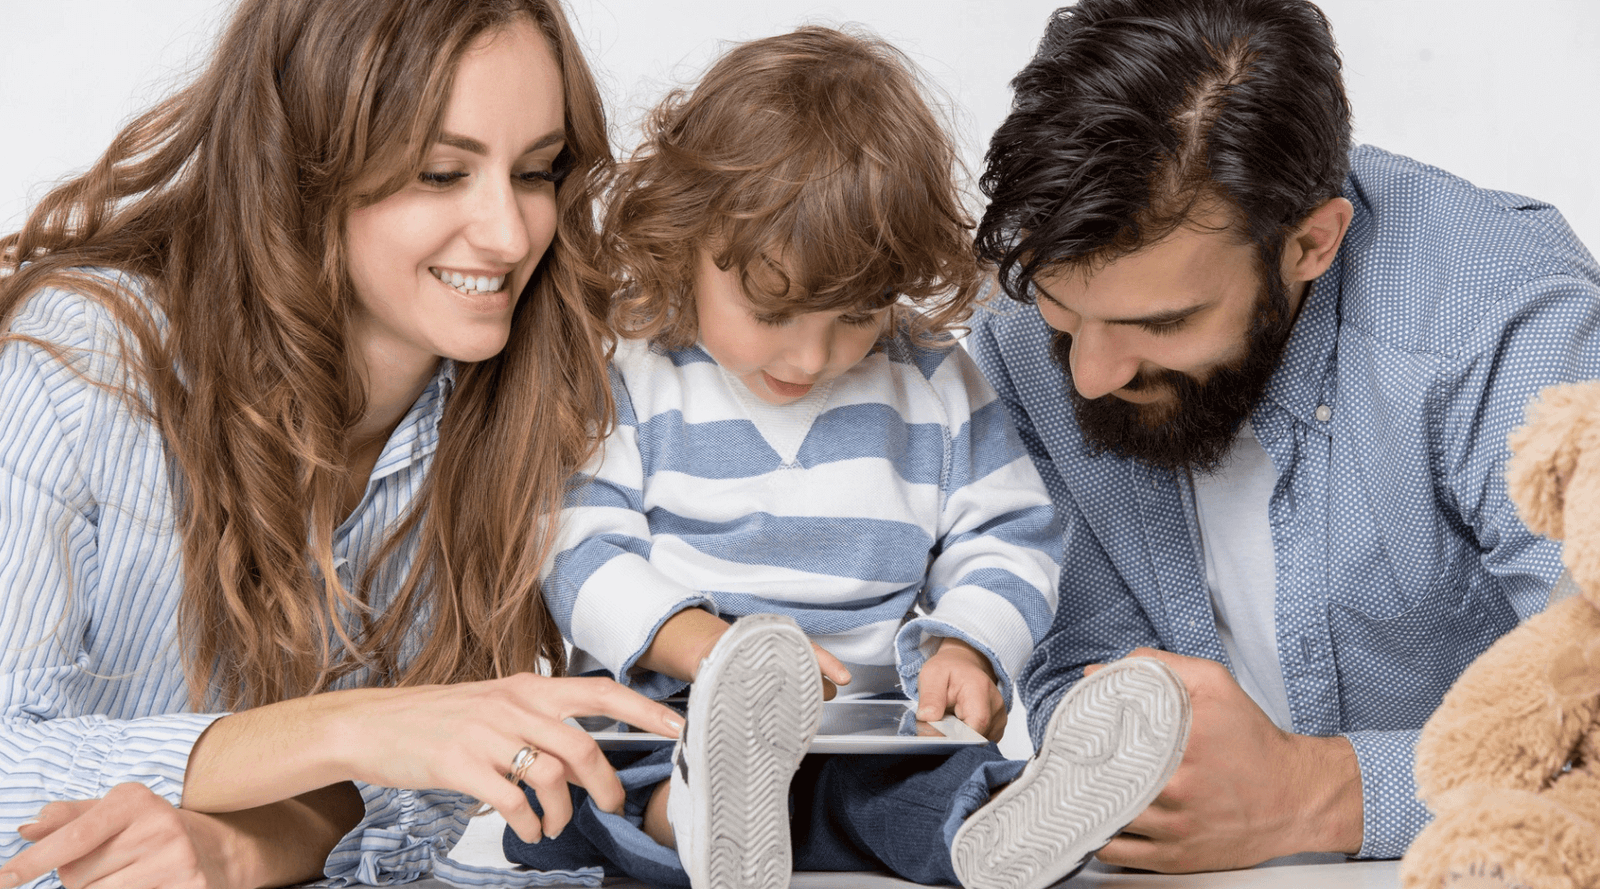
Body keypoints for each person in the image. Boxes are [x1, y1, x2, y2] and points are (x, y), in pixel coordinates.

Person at [0, 1, 688, 887]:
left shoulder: (507, 409)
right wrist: (351, 726)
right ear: (305, 166)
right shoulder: (85, 360)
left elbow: (416, 799)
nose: (511, 235)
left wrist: (232, 849)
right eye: (442, 172)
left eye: (536, 171)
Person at [503, 26, 1191, 889]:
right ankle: (698, 808)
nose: (808, 359)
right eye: (771, 307)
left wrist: (968, 649)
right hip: (666, 720)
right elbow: (576, 544)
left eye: (856, 318)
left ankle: (1003, 830)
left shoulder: (936, 383)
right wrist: (703, 649)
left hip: (868, 732)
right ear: (688, 238)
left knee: (916, 794)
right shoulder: (632, 374)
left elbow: (1010, 534)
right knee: (584, 792)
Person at [967, 0, 1600, 873]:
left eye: (1164, 320)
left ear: (1311, 242)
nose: (1088, 374)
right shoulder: (1014, 336)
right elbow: (1074, 659)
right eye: (1063, 311)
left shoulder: (1498, 319)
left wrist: (1321, 791)